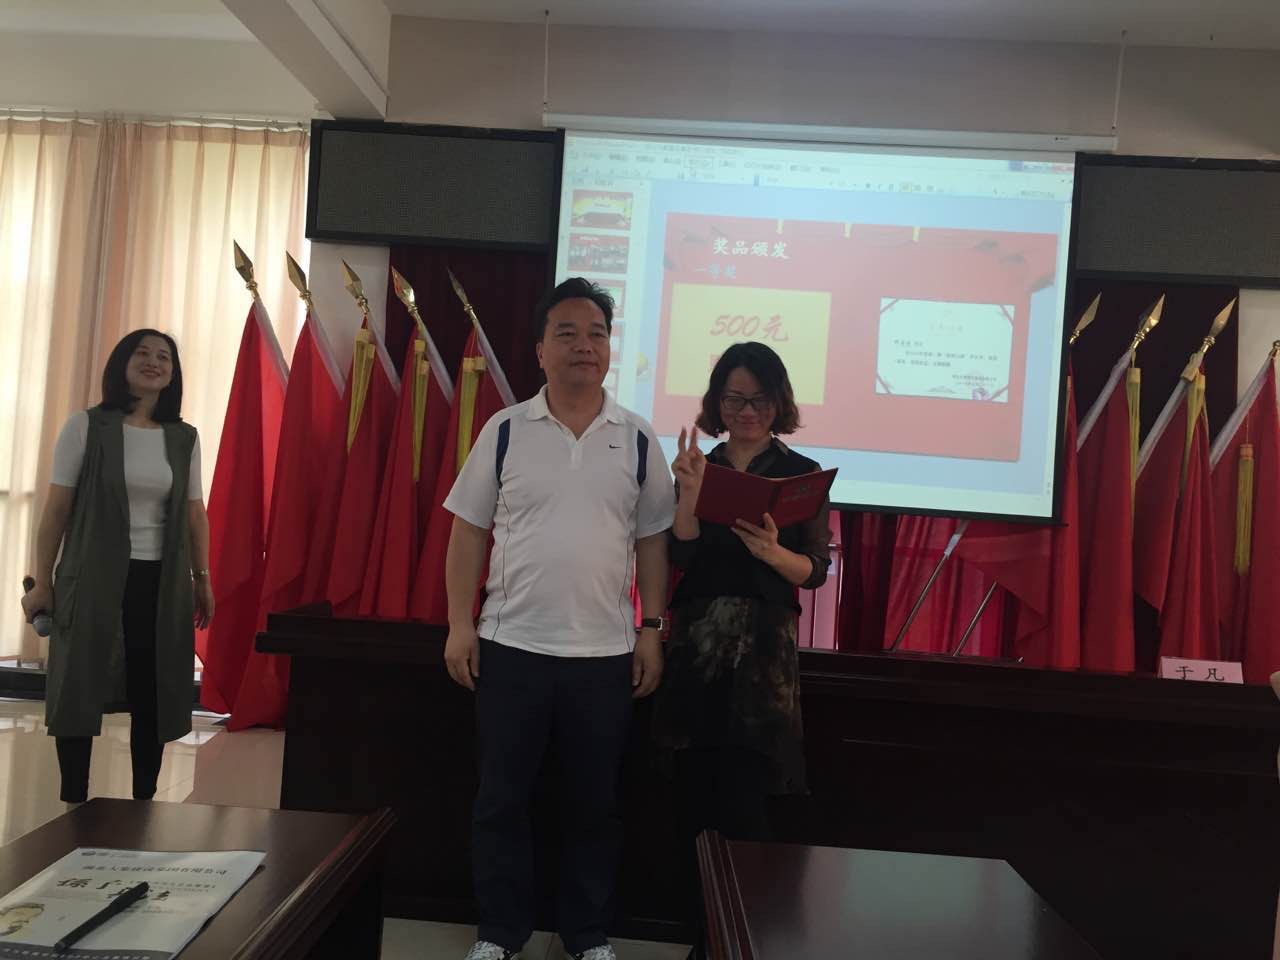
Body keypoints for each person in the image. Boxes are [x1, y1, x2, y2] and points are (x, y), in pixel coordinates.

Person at [443, 278, 674, 960]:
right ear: (540, 349)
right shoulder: (506, 430)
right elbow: (468, 532)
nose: (584, 346)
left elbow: (653, 541)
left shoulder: (637, 438)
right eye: (567, 334)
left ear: (610, 348)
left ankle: (587, 935)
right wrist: (459, 624)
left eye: (597, 334)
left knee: (594, 806)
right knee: (501, 801)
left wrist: (652, 630)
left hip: (604, 656)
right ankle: (499, 934)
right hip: (510, 646)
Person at [653, 341, 831, 858]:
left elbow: (816, 571)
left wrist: (773, 553)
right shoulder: (700, 466)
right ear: (718, 403)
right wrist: (689, 493)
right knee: (691, 793)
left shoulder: (803, 472)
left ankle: (741, 911)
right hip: (699, 643)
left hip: (764, 651)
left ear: (779, 401)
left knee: (749, 796)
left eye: (760, 400)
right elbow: (681, 552)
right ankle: (694, 908)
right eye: (734, 399)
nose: (747, 411)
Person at [21, 330, 214, 804]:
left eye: (163, 357)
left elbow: (195, 513)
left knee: (154, 687)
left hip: (160, 579)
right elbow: (56, 509)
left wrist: (202, 577)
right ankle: (75, 799)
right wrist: (42, 580)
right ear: (121, 364)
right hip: (91, 574)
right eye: (142, 353)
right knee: (79, 681)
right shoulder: (86, 427)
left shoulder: (183, 437)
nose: (153, 362)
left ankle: (144, 800)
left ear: (173, 373)